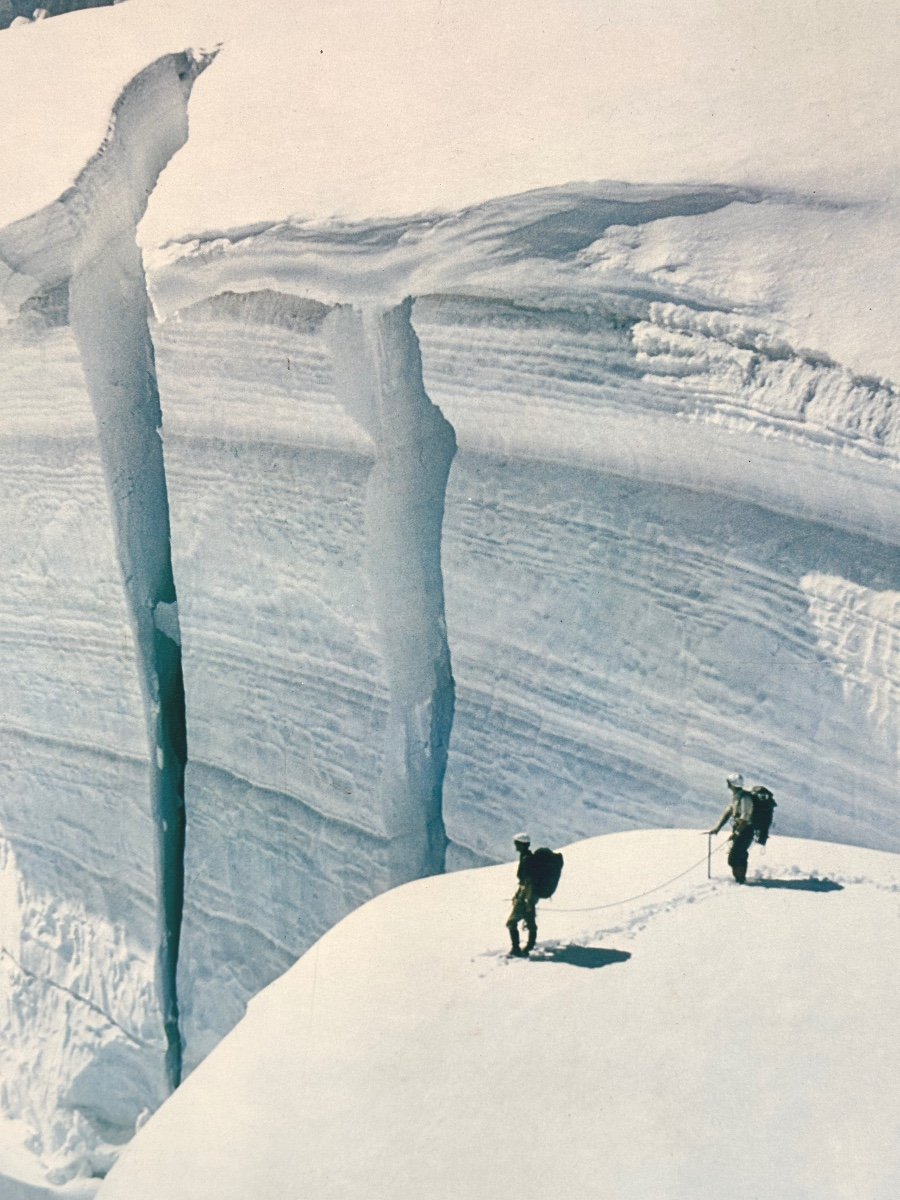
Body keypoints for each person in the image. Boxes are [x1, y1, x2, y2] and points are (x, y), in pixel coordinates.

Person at [707, 772, 756, 883]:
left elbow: (745, 819)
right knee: (740, 854)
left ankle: (740, 880)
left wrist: (736, 833)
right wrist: (717, 828)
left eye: (729, 783)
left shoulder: (744, 799)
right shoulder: (737, 797)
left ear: (732, 784)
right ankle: (740, 880)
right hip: (742, 830)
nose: (727, 785)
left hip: (745, 831)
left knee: (734, 858)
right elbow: (729, 812)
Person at [506, 833, 537, 956]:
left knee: (511, 922)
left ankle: (516, 949)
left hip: (526, 896)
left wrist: (526, 899)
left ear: (522, 845)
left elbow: (528, 881)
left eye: (517, 844)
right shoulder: (528, 857)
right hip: (529, 896)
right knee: (530, 921)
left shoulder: (526, 859)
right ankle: (530, 946)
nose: (515, 846)